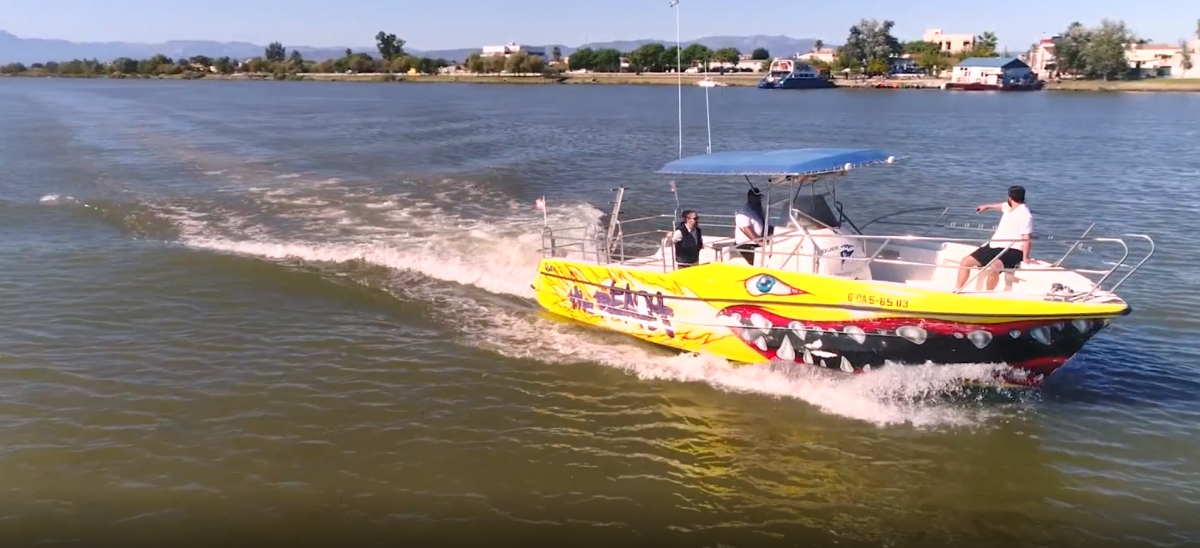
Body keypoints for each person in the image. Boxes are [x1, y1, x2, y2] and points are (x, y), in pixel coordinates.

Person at [956, 185, 1034, 291]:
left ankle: (988, 293)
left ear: (1010, 198)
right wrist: (986, 207)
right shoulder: (1009, 206)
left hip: (1013, 249)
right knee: (965, 262)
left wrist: (1025, 257)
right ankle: (957, 289)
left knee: (994, 266)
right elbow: (1001, 206)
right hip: (994, 245)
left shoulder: (1025, 214)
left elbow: (1027, 238)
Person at [734, 188, 766, 265]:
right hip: (746, 244)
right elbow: (746, 228)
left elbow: (763, 225)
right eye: (756, 197)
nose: (759, 199)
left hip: (758, 241)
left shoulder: (758, 210)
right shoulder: (744, 212)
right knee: (764, 257)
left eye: (759, 197)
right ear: (750, 197)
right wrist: (759, 241)